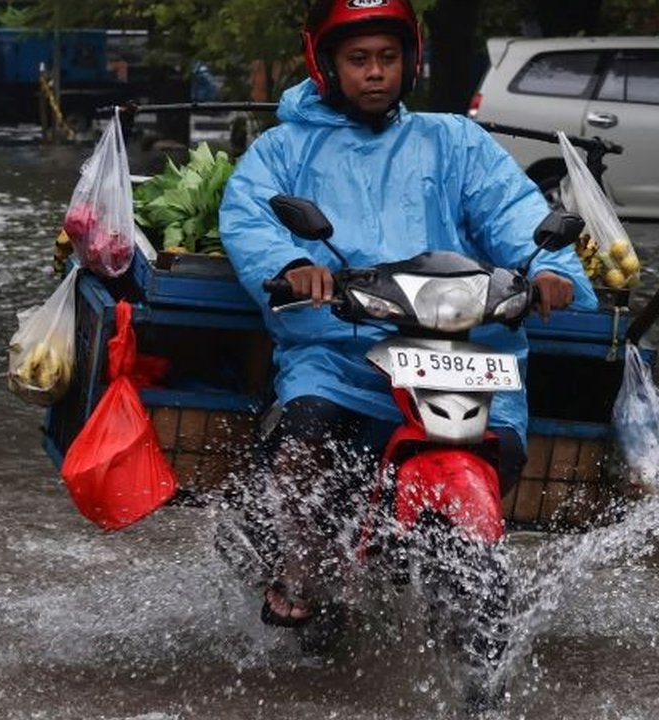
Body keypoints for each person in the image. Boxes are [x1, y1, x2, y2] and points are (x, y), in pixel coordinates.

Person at [218, 0, 597, 629]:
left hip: (457, 344)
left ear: (409, 61)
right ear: (328, 66)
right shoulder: (282, 150)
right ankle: (300, 569)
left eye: (387, 58)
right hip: (338, 348)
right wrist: (291, 267)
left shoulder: (453, 139)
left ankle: (460, 551)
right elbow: (250, 218)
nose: (375, 73)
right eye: (359, 59)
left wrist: (554, 273)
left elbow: (509, 209)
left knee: (497, 442)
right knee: (304, 439)